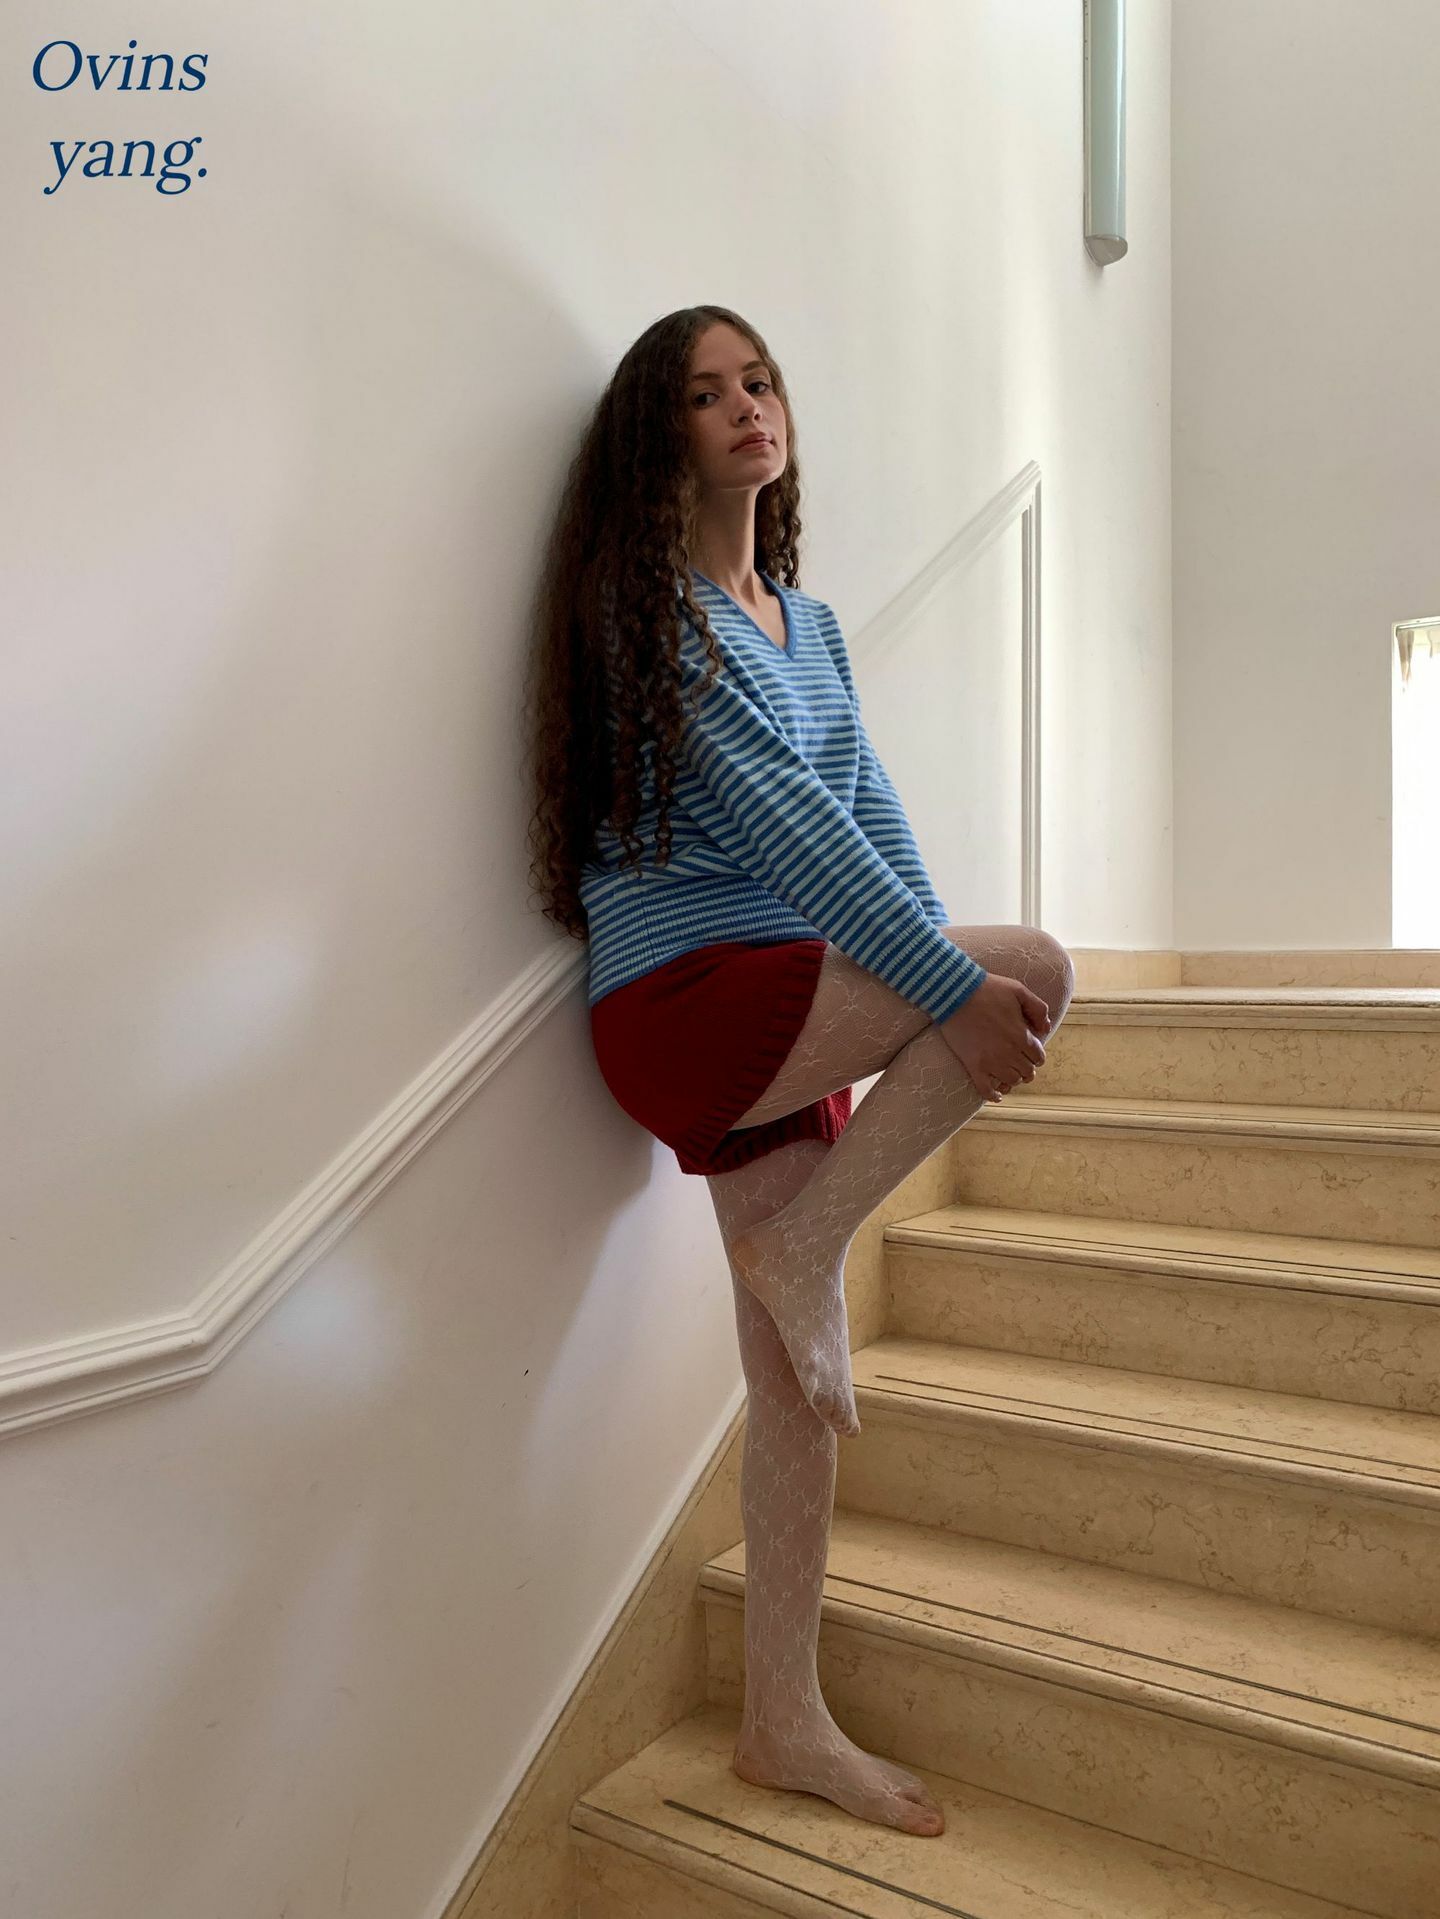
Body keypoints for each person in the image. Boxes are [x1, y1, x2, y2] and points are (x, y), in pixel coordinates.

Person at [524, 305, 1076, 1842]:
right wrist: (958, 992)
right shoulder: (652, 615)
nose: (746, 409)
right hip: (688, 1002)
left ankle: (782, 1720)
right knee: (1037, 965)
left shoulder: (809, 626)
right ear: (662, 440)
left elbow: (870, 820)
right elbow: (789, 834)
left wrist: (933, 982)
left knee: (787, 1388)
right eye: (707, 395)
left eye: (758, 382)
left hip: (792, 999)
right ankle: (813, 1241)